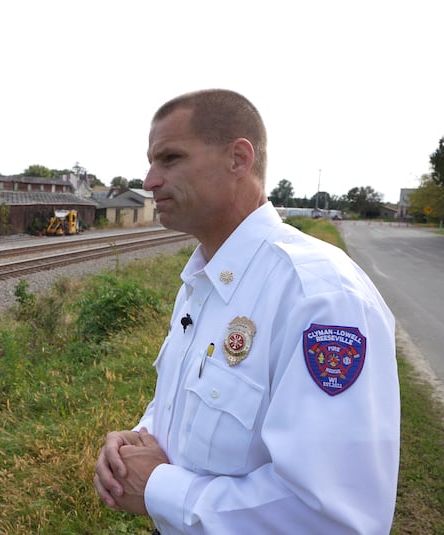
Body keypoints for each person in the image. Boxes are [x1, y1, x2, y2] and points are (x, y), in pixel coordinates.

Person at [93, 89, 400, 534]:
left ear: (239, 158)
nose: (150, 181)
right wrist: (138, 440)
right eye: (151, 162)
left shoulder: (320, 297)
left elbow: (334, 519)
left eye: (170, 159)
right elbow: (192, 402)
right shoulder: (203, 280)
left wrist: (160, 488)